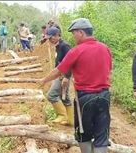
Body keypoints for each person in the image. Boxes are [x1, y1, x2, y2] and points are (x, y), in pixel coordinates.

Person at [40, 18, 112, 153]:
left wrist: (44, 80)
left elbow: (59, 70)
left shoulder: (76, 50)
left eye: (74, 33)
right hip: (104, 96)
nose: (73, 36)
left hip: (85, 98)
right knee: (102, 135)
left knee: (83, 134)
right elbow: (109, 72)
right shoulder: (105, 48)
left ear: (80, 32)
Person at [45, 27, 73, 126]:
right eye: (49, 38)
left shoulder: (65, 46)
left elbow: (70, 63)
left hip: (63, 75)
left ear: (57, 35)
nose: (50, 40)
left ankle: (62, 115)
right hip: (60, 74)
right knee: (64, 97)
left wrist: (66, 77)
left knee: (51, 95)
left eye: (51, 37)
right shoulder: (57, 46)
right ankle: (71, 120)